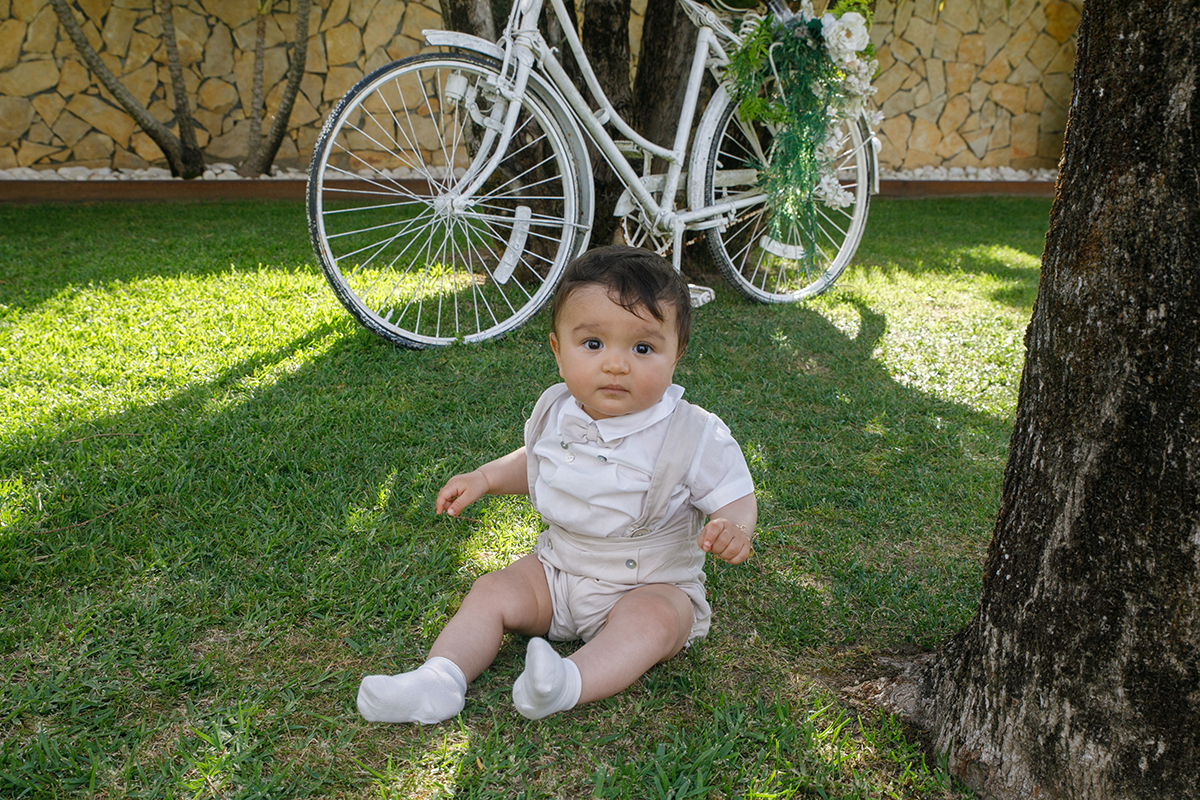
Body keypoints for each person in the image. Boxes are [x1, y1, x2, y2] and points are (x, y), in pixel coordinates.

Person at [356, 245, 757, 724]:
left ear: (676, 356)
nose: (616, 364)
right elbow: (536, 460)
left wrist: (734, 526)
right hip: (557, 569)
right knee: (492, 590)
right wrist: (485, 477)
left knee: (655, 621)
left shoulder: (694, 432)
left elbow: (736, 494)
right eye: (593, 344)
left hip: (650, 582)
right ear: (558, 352)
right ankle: (438, 680)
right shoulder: (555, 409)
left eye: (643, 348)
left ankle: (565, 683)